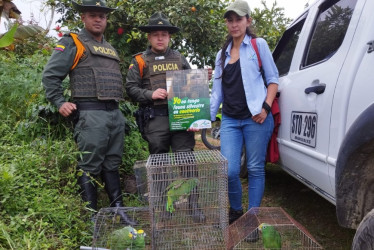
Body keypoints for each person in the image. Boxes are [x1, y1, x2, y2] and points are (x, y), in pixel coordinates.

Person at [42, 0, 136, 225]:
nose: (98, 19)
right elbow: (50, 75)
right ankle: (92, 217)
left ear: (106, 20)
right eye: (93, 15)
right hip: (91, 115)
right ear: (83, 17)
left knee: (113, 163)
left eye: (102, 16)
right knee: (90, 165)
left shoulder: (110, 48)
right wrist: (59, 102)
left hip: (114, 114)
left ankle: (118, 210)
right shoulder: (74, 42)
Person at [125, 12, 205, 223]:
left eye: (164, 34)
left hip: (180, 118)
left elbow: (192, 86)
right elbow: (130, 89)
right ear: (149, 38)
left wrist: (195, 117)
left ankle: (193, 204)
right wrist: (150, 94)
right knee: (159, 165)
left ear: (169, 37)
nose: (160, 38)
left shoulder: (179, 58)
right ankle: (165, 206)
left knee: (186, 160)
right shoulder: (140, 61)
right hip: (155, 118)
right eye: (155, 34)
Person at [210, 0, 279, 224]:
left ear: (248, 21)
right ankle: (236, 210)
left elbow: (273, 80)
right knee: (229, 170)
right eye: (229, 20)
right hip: (230, 120)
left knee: (255, 168)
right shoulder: (222, 54)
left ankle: (252, 217)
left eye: (238, 19)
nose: (234, 24)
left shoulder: (258, 45)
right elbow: (217, 92)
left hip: (255, 119)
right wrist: (205, 119)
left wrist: (266, 108)